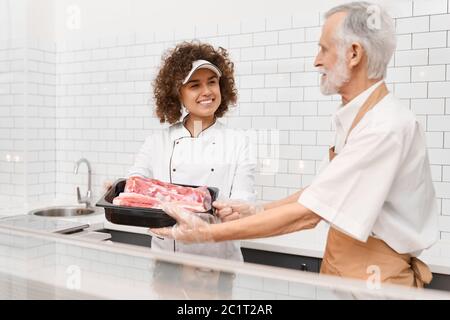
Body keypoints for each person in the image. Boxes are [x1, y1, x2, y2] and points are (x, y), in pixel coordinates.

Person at [151, 2, 439, 288]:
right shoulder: (359, 118)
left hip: (375, 277)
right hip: (341, 263)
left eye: (324, 49)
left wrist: (209, 234)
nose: (317, 61)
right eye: (193, 85)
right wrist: (258, 211)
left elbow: (309, 213)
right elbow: (322, 192)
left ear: (354, 54)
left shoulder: (383, 127)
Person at [128, 41, 256, 261]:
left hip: (218, 260)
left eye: (212, 82)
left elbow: (245, 197)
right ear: (178, 93)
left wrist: (236, 209)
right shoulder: (157, 142)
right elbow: (136, 184)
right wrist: (120, 188)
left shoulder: (238, 142)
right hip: (169, 258)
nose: (206, 92)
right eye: (194, 85)